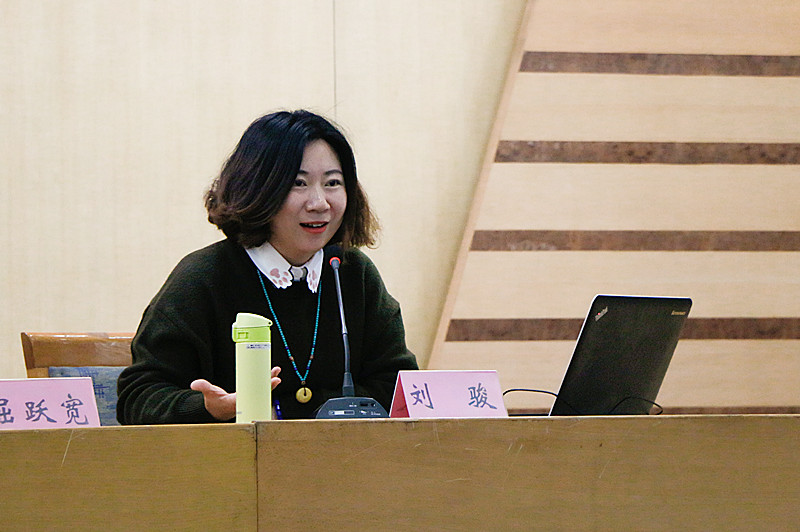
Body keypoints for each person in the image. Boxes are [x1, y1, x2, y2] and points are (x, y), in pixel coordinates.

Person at [117, 110, 418, 424]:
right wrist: (210, 408)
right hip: (232, 454)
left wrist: (290, 413)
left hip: (343, 453)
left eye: (332, 183)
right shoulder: (203, 277)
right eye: (298, 183)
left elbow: (398, 389)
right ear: (259, 188)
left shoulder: (351, 273)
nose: (319, 203)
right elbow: (138, 398)